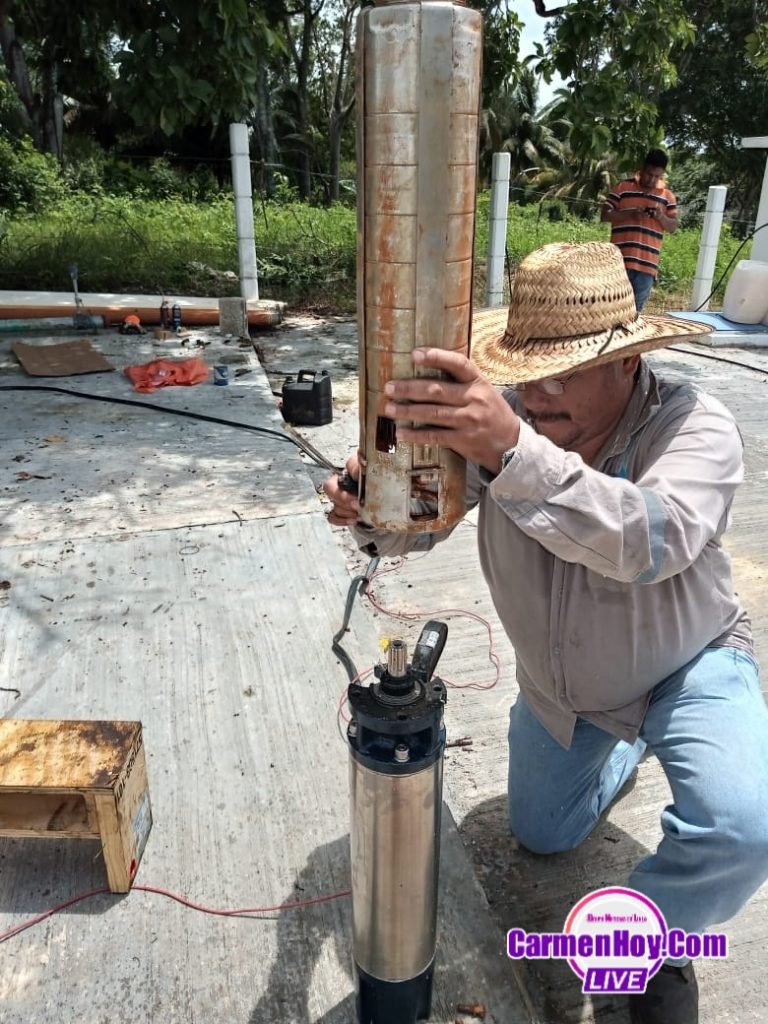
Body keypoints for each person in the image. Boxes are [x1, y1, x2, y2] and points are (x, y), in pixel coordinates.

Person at [324, 241, 768, 1024]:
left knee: (742, 828)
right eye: (533, 372)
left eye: (566, 370)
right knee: (541, 837)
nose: (543, 393)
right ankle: (619, 747)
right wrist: (372, 514)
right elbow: (422, 528)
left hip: (686, 664)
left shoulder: (695, 426)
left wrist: (510, 449)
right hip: (561, 692)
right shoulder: (516, 423)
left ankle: (648, 942)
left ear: (627, 364)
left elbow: (648, 542)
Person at [601, 148, 678, 312]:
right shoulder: (622, 187)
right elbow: (605, 215)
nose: (652, 179)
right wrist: (631, 214)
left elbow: (673, 226)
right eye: (649, 174)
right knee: (610, 310)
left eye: (657, 176)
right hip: (618, 262)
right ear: (642, 168)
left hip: (647, 267)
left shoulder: (667, 196)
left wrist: (660, 217)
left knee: (634, 315)